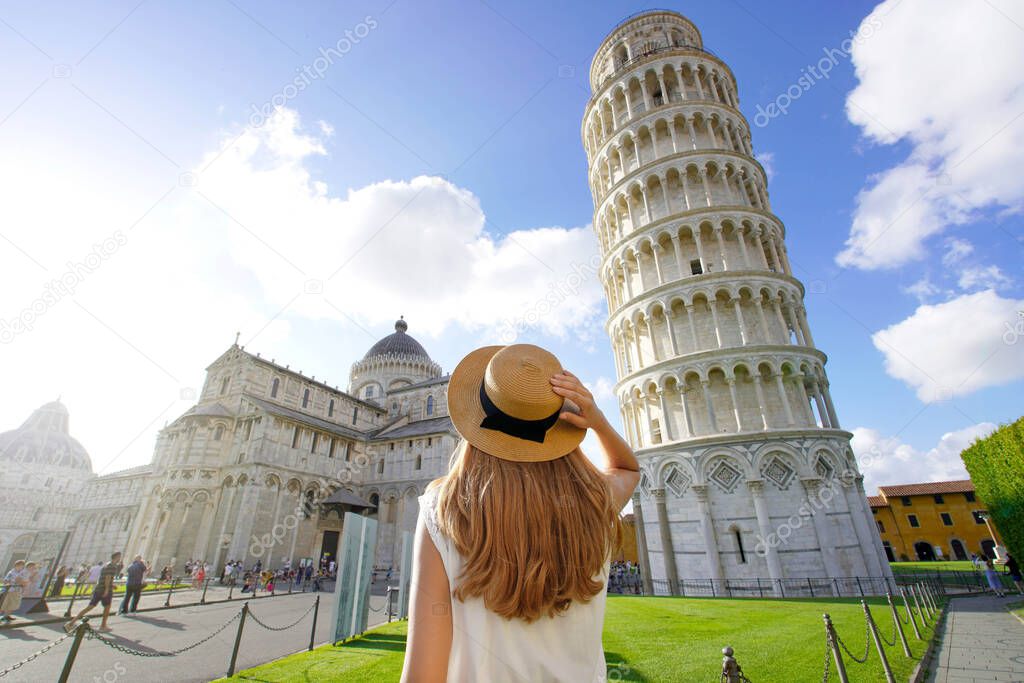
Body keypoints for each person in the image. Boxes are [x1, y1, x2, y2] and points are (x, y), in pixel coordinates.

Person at [400, 344, 639, 682]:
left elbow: (422, 675)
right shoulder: (594, 502)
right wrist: (597, 421)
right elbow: (627, 469)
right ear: (560, 423)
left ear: (474, 426)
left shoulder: (443, 512)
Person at [66, 552, 122, 633]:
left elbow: (103, 577)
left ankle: (71, 623)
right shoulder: (113, 567)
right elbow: (108, 577)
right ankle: (103, 626)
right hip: (104, 590)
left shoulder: (106, 565)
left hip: (98, 588)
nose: (120, 559)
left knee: (90, 606)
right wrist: (107, 589)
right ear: (116, 557)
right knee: (107, 607)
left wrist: (111, 585)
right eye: (119, 557)